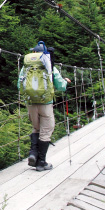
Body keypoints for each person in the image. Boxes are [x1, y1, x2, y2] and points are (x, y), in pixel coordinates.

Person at [17, 41, 70, 171]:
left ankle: (33, 154)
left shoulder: (26, 67)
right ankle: (41, 162)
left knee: (36, 128)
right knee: (46, 131)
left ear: (34, 53)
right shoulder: (49, 65)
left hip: (30, 103)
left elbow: (19, 86)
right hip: (45, 104)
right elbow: (61, 86)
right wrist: (66, 82)